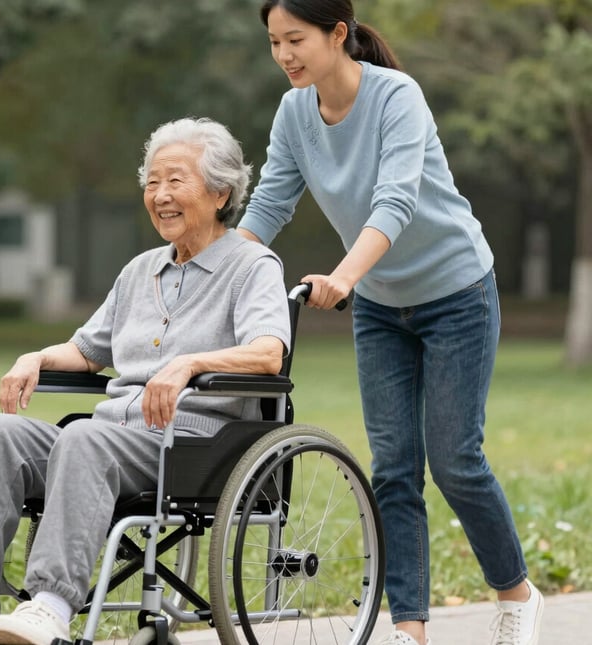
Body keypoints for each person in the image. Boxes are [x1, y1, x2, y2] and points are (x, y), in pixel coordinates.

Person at [0, 117, 291, 645]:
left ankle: (49, 605)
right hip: (106, 438)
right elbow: (87, 350)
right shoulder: (139, 271)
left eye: (175, 181)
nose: (160, 195)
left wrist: (189, 364)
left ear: (220, 192)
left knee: (84, 438)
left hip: (189, 446)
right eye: (152, 182)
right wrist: (35, 356)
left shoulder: (253, 266)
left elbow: (268, 354)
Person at [235, 2, 544, 645]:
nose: (284, 55)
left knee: (456, 460)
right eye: (274, 42)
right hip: (380, 308)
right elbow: (270, 202)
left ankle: (516, 594)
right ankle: (410, 628)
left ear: (337, 34)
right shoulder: (295, 112)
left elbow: (396, 198)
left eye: (296, 39)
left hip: (457, 291)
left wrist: (344, 277)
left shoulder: (396, 96)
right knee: (394, 468)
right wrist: (225, 276)